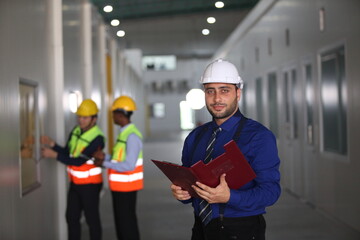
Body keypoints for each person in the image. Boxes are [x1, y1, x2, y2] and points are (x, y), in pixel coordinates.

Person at [170, 59, 281, 240]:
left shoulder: (259, 137)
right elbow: (190, 185)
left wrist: (230, 197)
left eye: (224, 90)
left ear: (238, 93)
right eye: (210, 91)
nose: (217, 99)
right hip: (201, 228)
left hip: (241, 229)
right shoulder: (195, 137)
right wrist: (183, 194)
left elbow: (271, 192)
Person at [41, 99, 105, 240]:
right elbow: (68, 152)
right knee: (71, 217)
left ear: (94, 119)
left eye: (85, 117)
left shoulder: (98, 139)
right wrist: (53, 144)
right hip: (75, 184)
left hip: (91, 185)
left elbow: (79, 161)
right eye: (79, 117)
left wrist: (54, 155)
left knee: (91, 220)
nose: (81, 120)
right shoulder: (75, 131)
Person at [93, 96, 143, 240]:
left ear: (120, 115)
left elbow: (128, 165)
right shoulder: (124, 134)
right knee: (122, 225)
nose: (112, 116)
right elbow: (119, 159)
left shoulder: (132, 136)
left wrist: (103, 164)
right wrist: (105, 157)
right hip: (119, 188)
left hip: (127, 188)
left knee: (127, 227)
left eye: (113, 113)